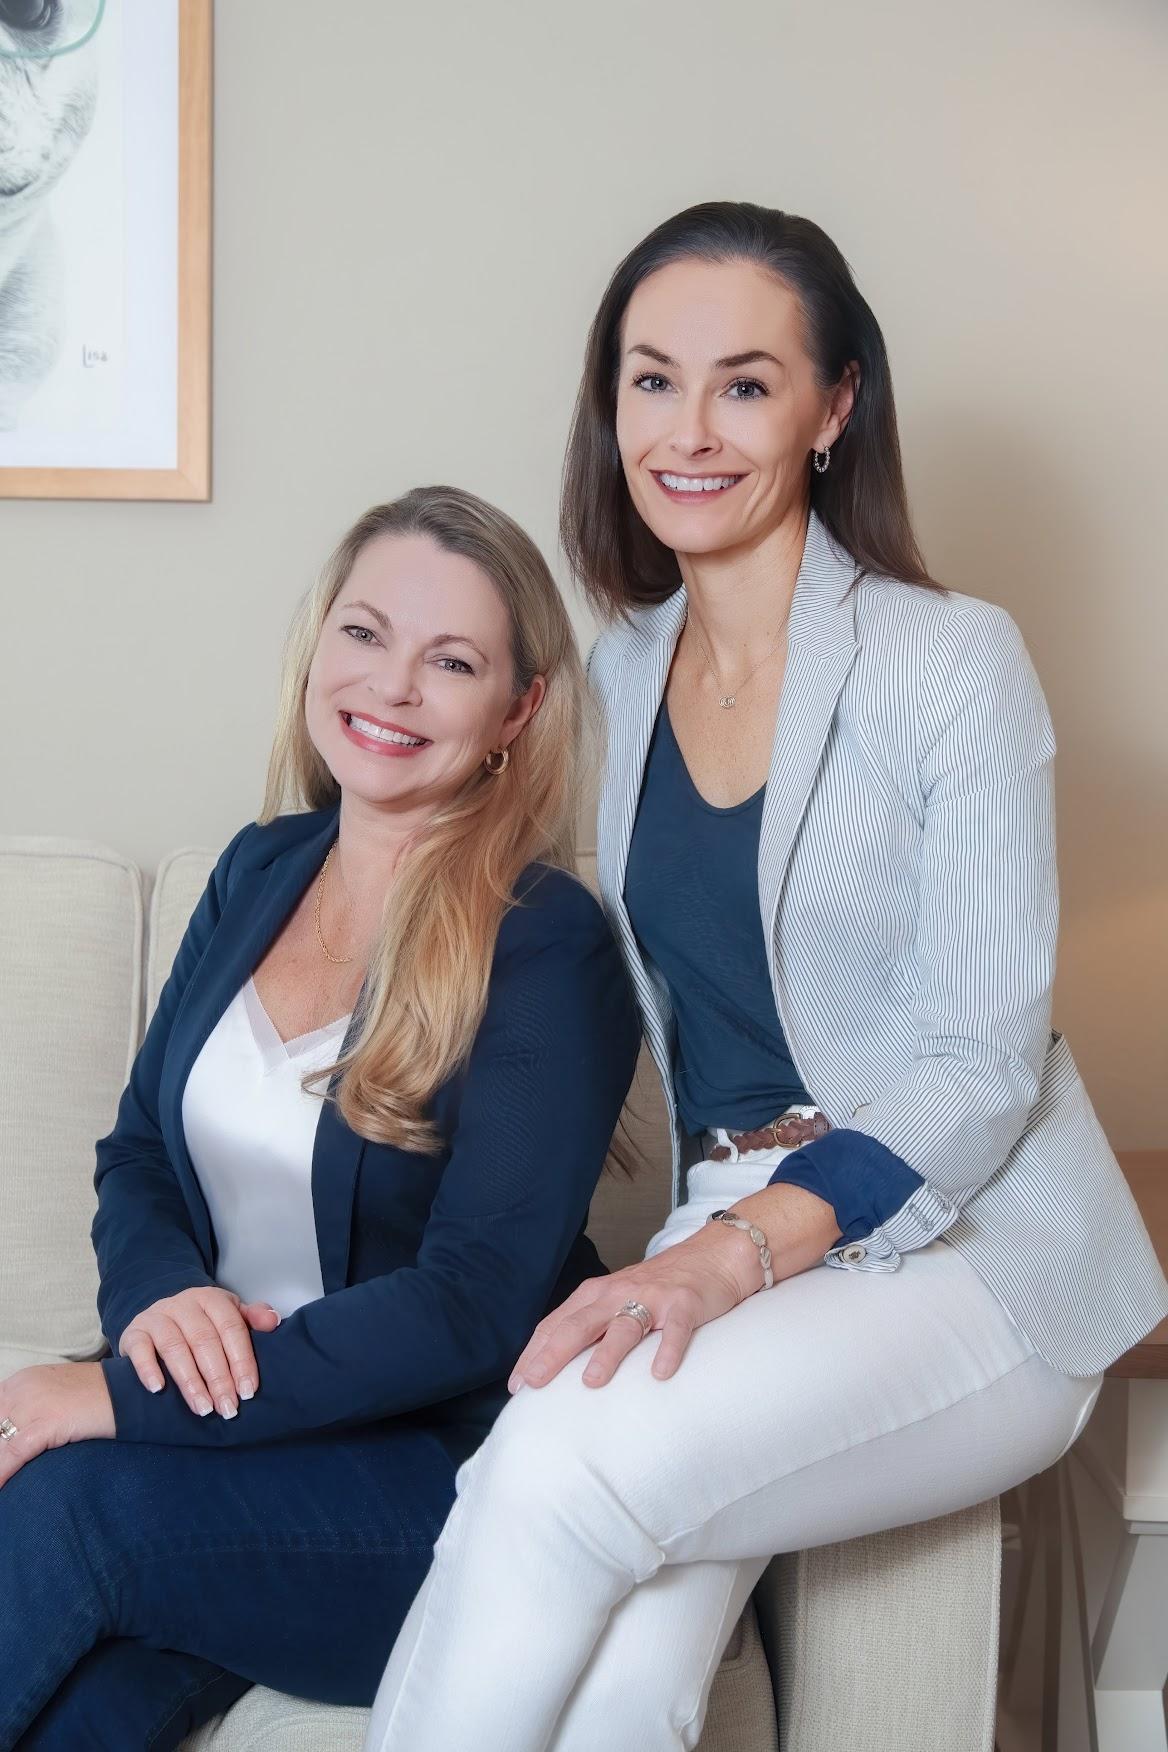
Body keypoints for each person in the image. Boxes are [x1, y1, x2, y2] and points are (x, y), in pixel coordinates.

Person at [365, 204, 1168, 1752]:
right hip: (723, 1224)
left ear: (834, 407)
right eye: (651, 380)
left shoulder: (951, 659)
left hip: (965, 1257)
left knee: (555, 1465)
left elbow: (982, 1057)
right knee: (616, 1677)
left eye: (744, 383)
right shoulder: (614, 672)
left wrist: (736, 1256)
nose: (688, 429)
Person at [0, 485, 640, 1750]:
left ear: (517, 712)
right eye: (365, 634)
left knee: (73, 1507)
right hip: (227, 1452)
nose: (391, 688)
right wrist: (151, 1313)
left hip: (429, 1486)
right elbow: (137, 1153)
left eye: (449, 661)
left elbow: (471, 1304)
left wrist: (129, 1403)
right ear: (318, 648)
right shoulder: (257, 869)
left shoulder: (544, 943)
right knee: (80, 1704)